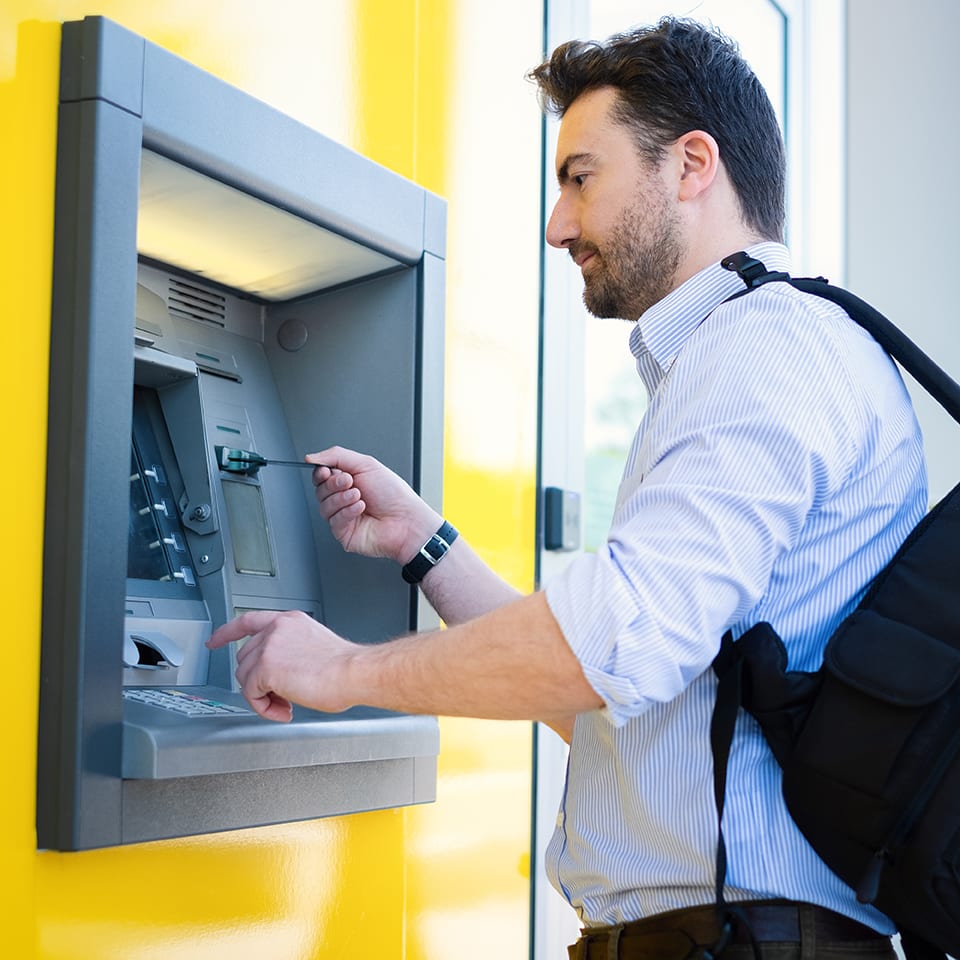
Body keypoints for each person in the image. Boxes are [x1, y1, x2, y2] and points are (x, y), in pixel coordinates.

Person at [208, 17, 926, 960]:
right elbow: (609, 706)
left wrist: (335, 670)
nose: (558, 225)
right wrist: (426, 546)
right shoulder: (746, 353)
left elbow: (604, 648)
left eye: (580, 177)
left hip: (741, 945)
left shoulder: (770, 349)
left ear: (692, 163)